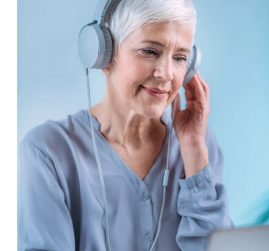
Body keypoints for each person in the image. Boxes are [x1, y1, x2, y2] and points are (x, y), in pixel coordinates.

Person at [18, 0, 233, 250]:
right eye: (150, 51)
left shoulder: (199, 147)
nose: (166, 73)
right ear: (103, 54)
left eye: (180, 57)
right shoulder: (48, 152)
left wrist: (194, 149)